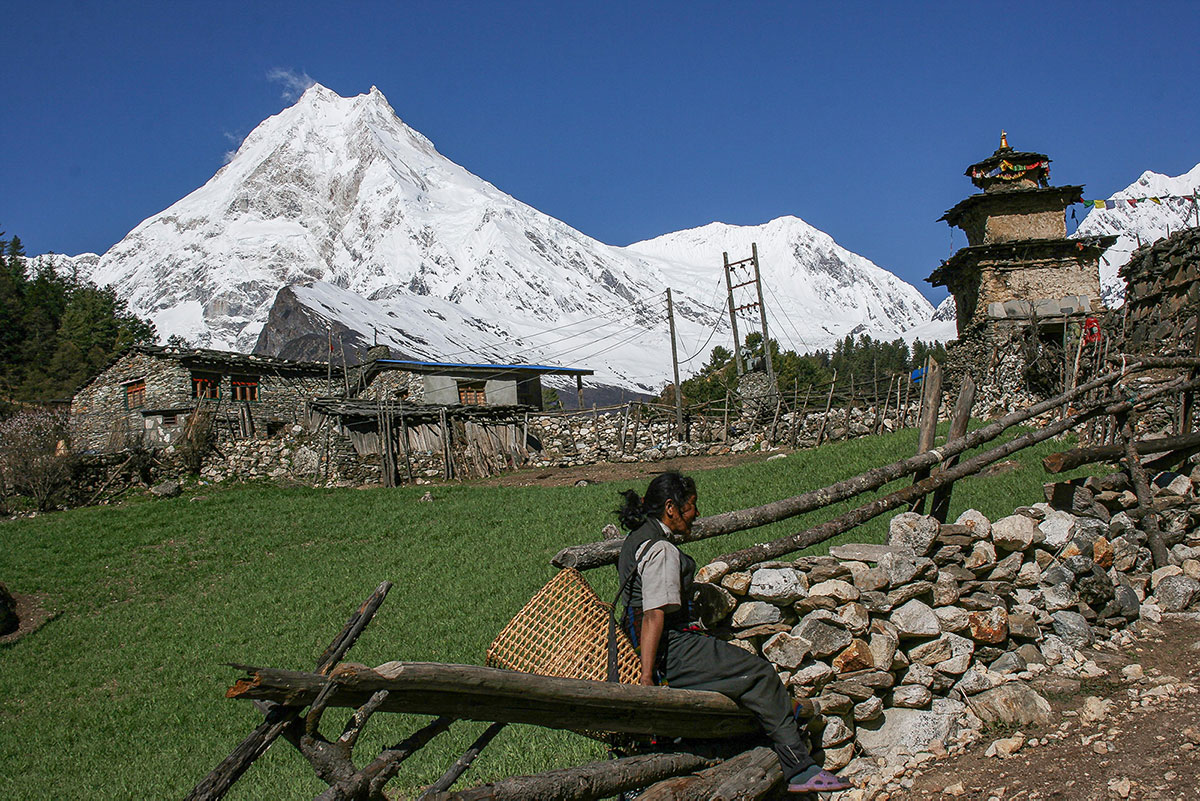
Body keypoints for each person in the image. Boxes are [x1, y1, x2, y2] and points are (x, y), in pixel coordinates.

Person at [615, 471, 852, 794]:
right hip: (669, 648)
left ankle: (779, 709)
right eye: (692, 506)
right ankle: (799, 767)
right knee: (757, 673)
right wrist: (646, 678)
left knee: (740, 670)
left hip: (654, 646)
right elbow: (653, 614)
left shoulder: (635, 540)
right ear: (671, 508)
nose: (696, 514)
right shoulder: (662, 550)